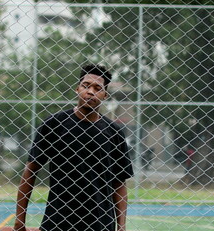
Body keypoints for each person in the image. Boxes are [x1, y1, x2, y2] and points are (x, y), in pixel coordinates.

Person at [13, 64, 134, 231]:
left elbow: (119, 183)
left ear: (105, 95)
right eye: (86, 86)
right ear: (77, 89)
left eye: (97, 88)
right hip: (58, 222)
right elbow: (30, 171)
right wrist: (20, 220)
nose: (90, 91)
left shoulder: (114, 133)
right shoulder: (54, 124)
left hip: (100, 224)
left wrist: (121, 226)